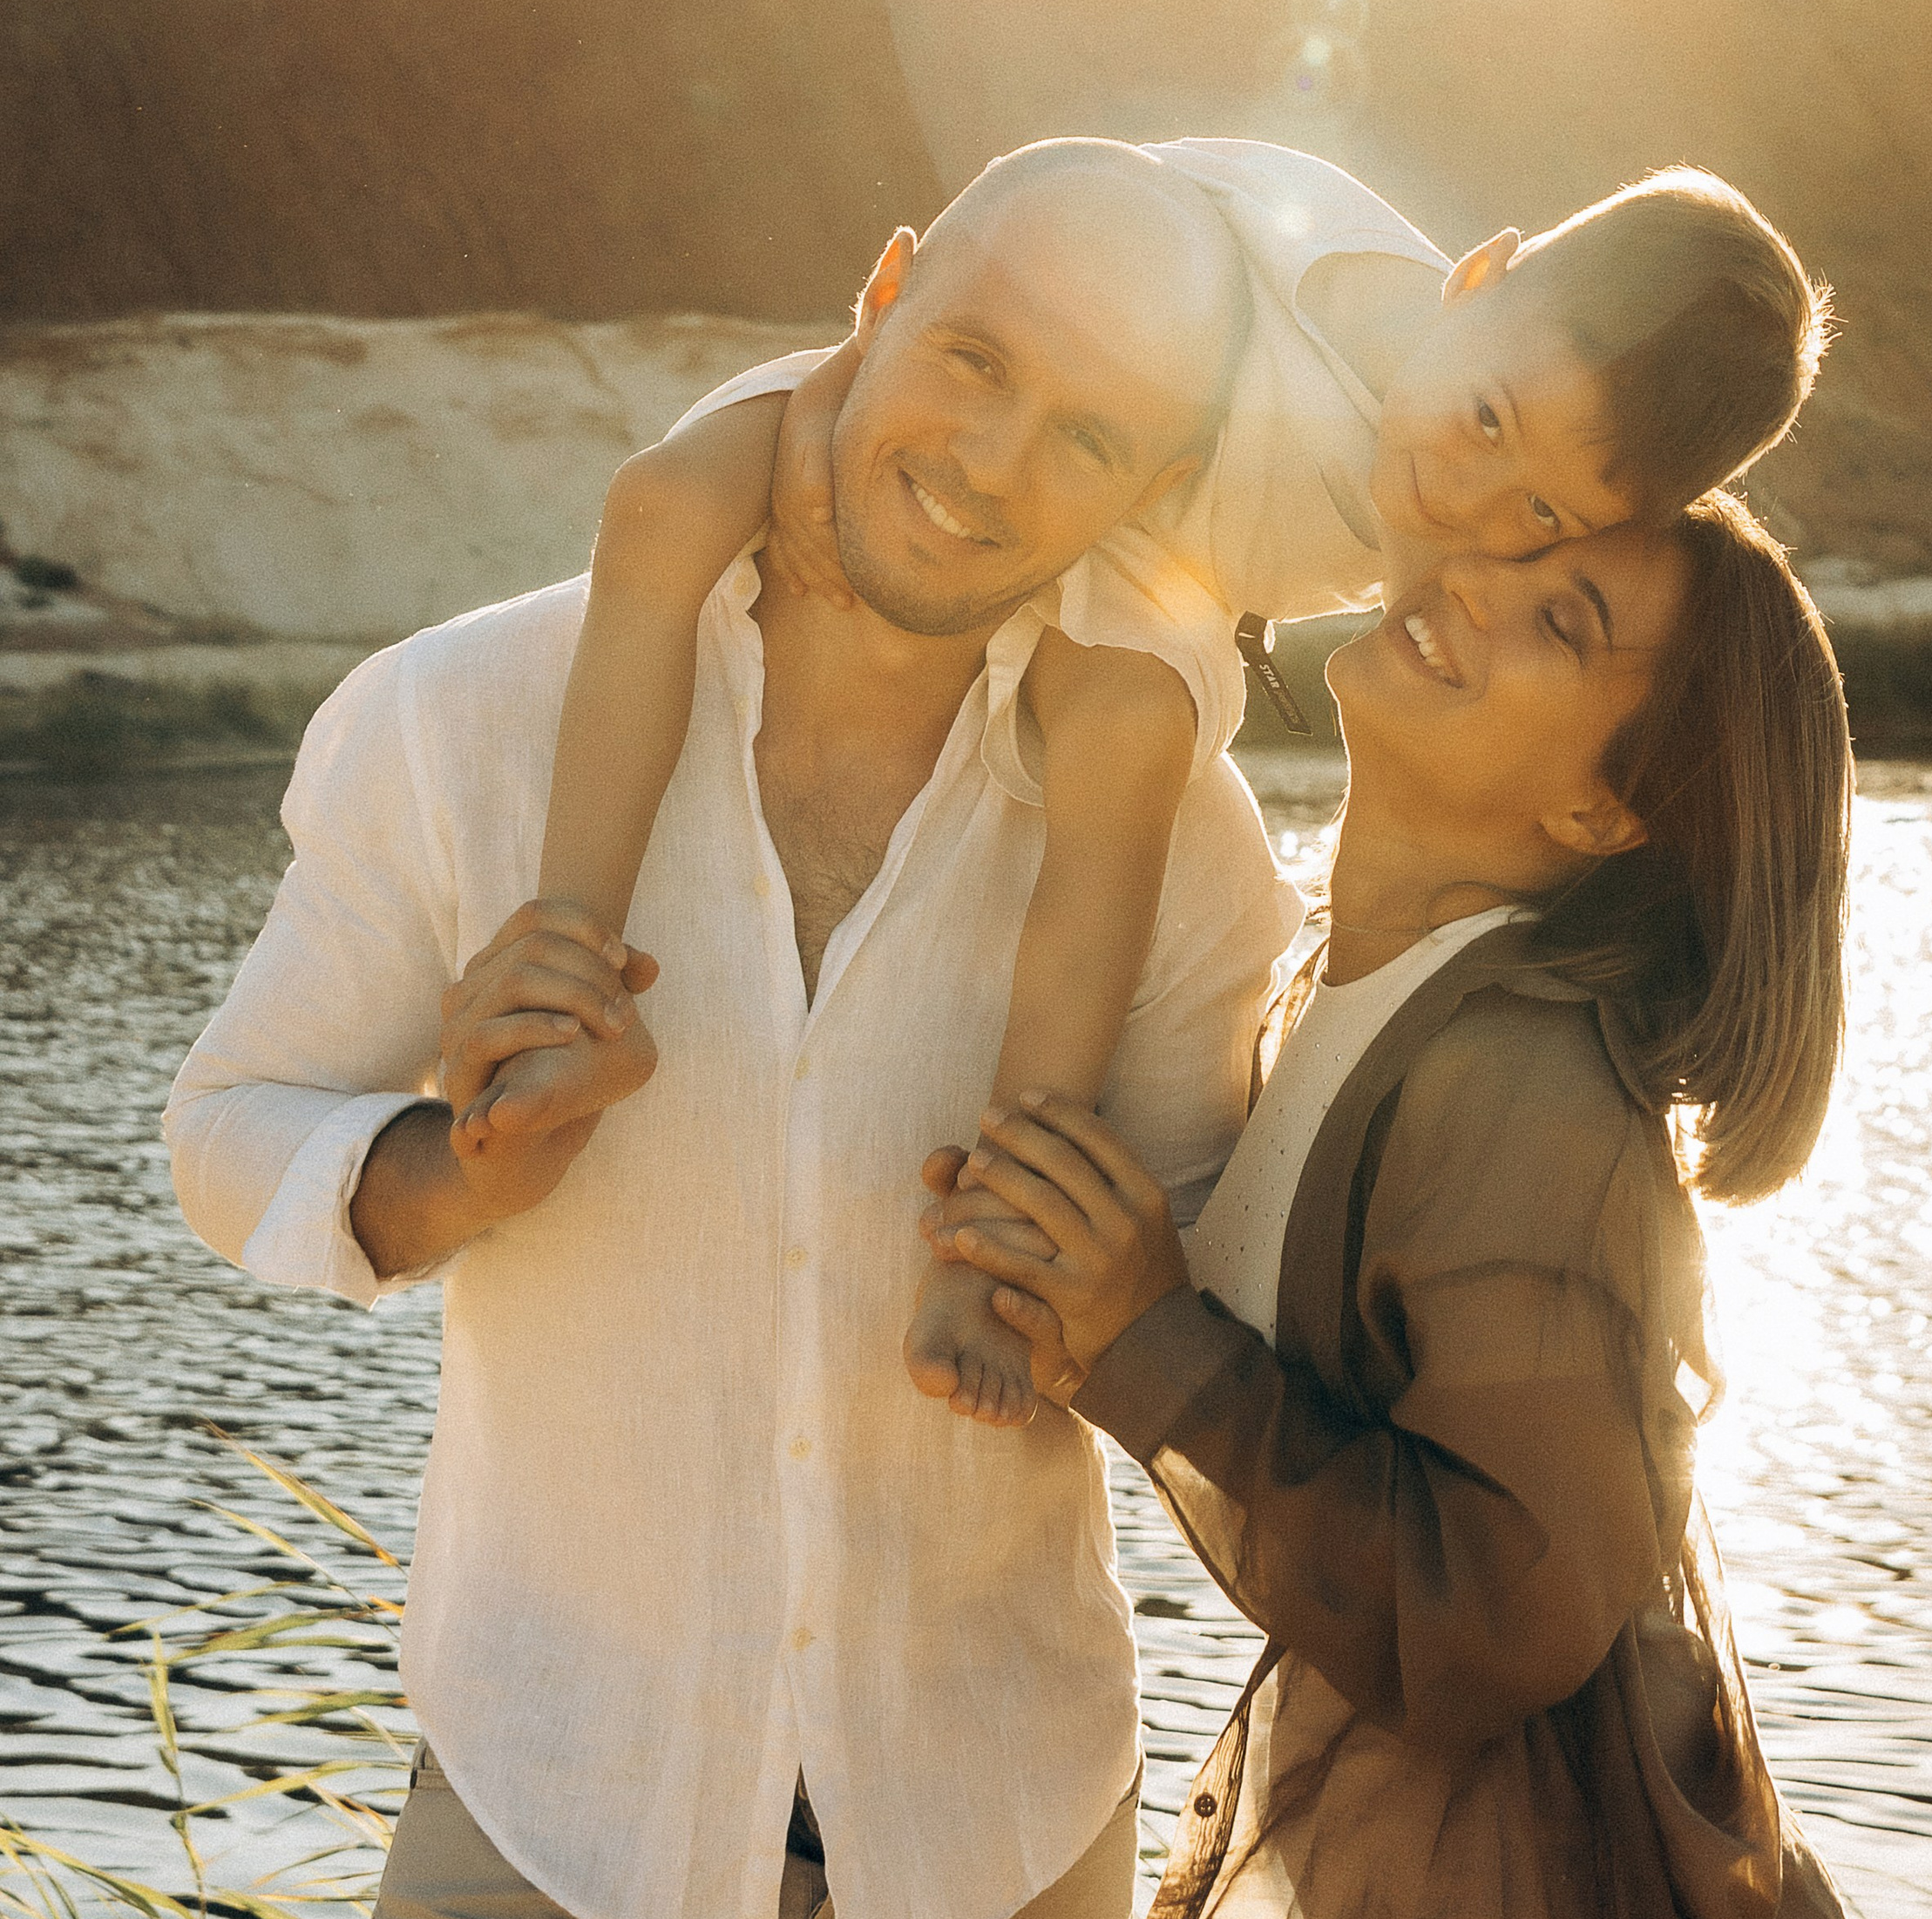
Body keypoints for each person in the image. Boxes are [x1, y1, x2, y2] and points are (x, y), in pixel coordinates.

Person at [163, 143, 1307, 1919]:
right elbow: (229, 1125)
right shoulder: (466, 720)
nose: (987, 464)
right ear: (876, 293)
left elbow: (1206, 1283)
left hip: (983, 1860)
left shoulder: (1176, 835)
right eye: (969, 358)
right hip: (547, 1823)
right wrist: (447, 1170)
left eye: (1087, 436)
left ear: (1148, 485)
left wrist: (1130, 1282)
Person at [467, 134, 1827, 1427]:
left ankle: (992, 1244)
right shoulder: (1306, 242)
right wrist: (842, 397)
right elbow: (1051, 224)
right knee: (662, 508)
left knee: (1125, 761)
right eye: (1484, 419)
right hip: (1024, 407)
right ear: (1482, 275)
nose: (1468, 500)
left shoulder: (1461, 542)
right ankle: (560, 979)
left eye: (1541, 513)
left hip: (1145, 561)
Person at [926, 494, 1864, 1919]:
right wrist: (1086, 1284)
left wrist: (1144, 1341)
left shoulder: (1517, 1080)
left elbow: (1509, 1606)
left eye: (1560, 618)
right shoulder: (1349, 990)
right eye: (1503, 558)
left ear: (1603, 811)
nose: (1470, 591)